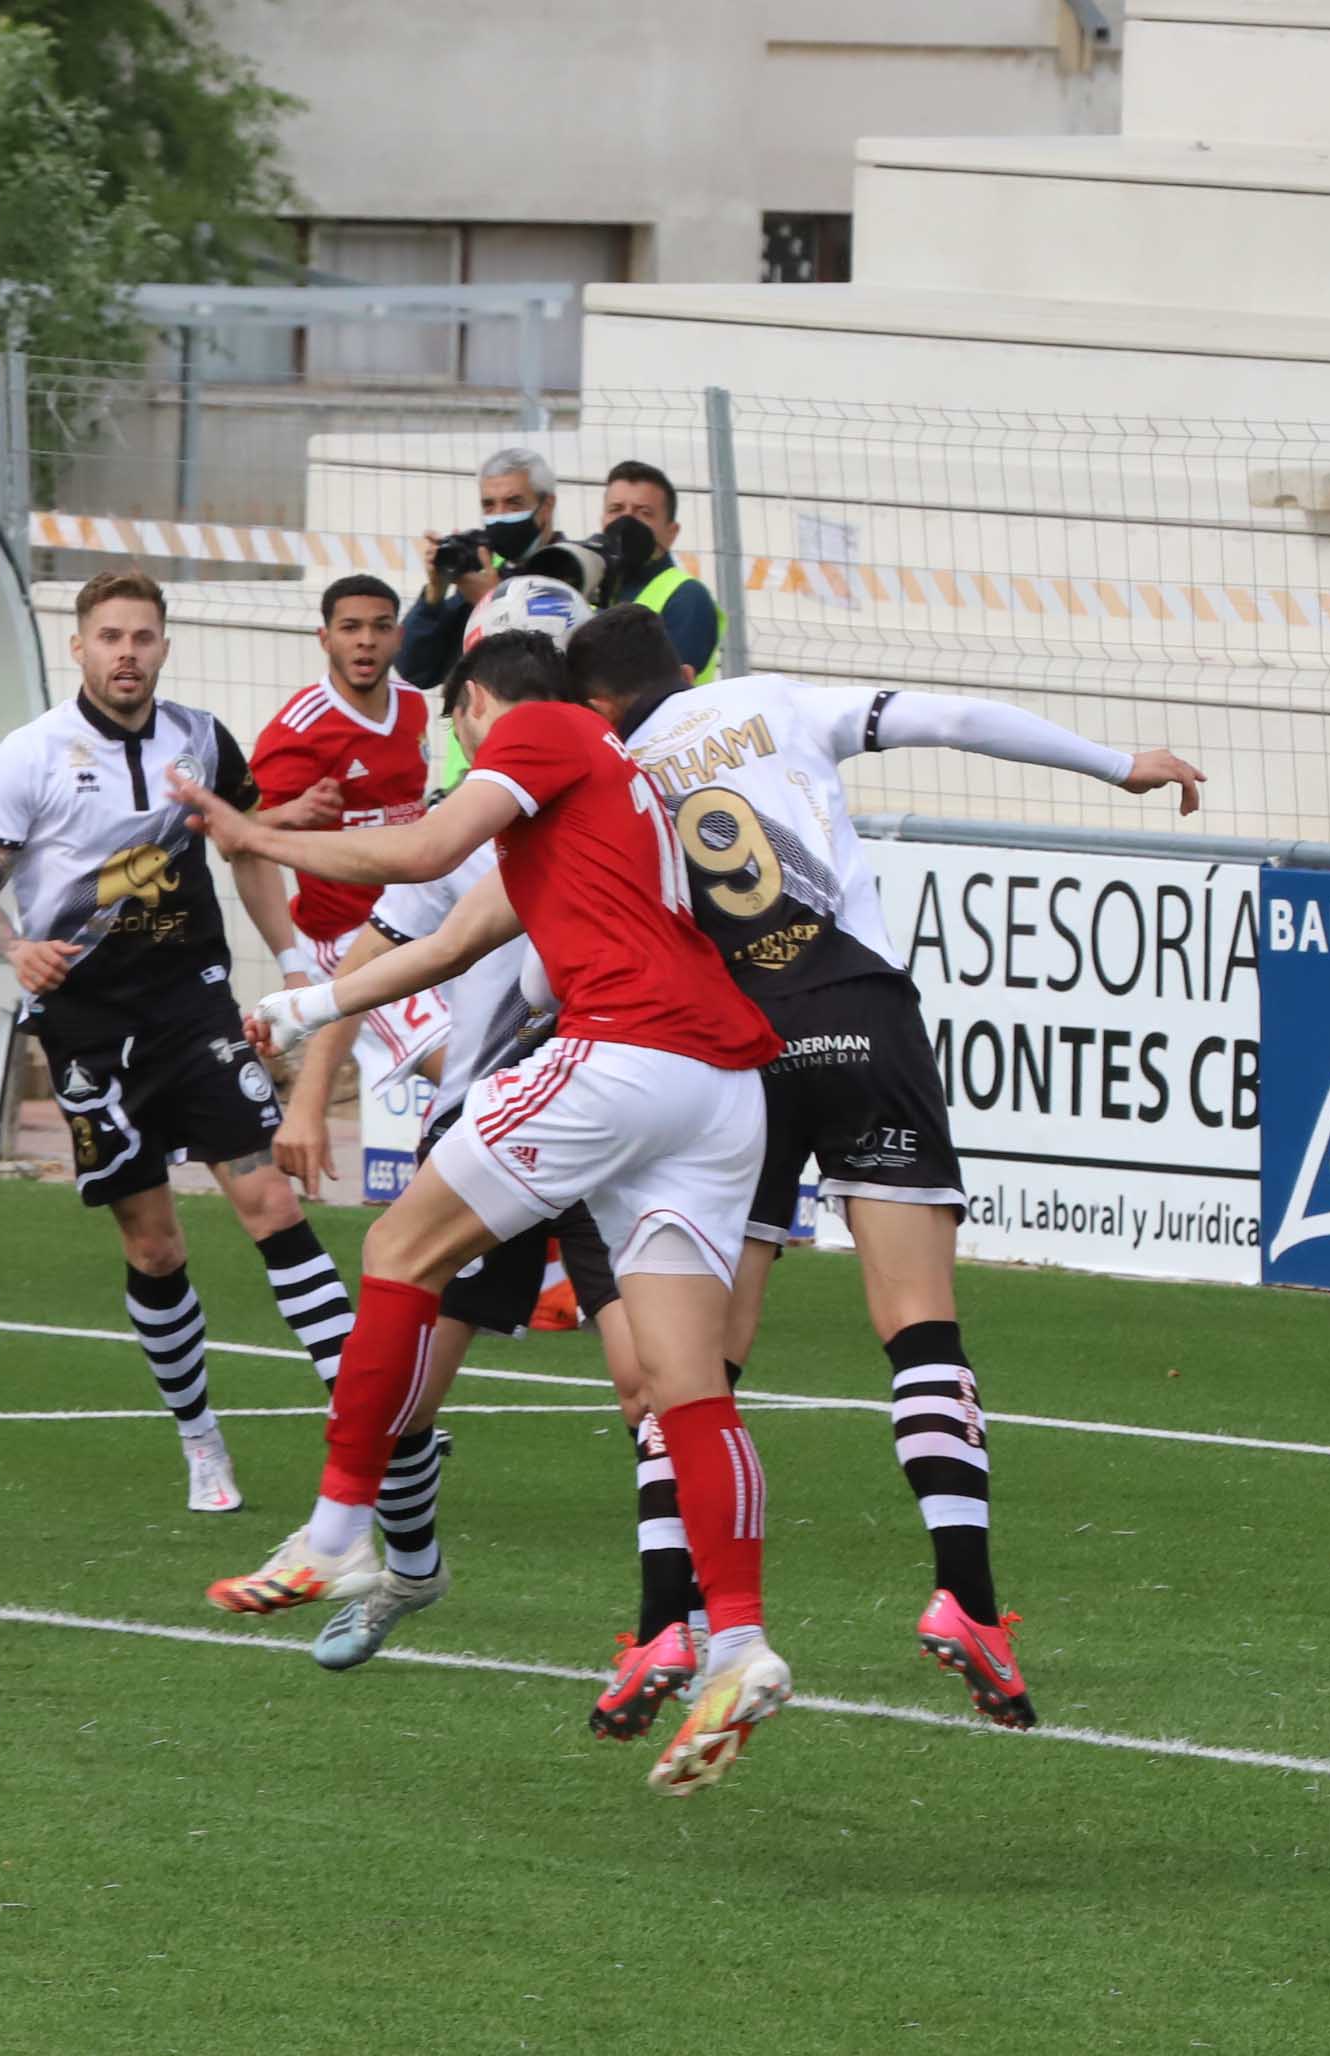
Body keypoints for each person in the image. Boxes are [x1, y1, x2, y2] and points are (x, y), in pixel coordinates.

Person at [176, 629, 792, 1798]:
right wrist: (311, 1003)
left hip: (626, 1053)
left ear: (473, 705)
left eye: (461, 727)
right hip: (720, 1095)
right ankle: (740, 1641)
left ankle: (342, 1531)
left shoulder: (545, 730)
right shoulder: (604, 795)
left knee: (401, 1245)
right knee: (685, 1384)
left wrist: (260, 834)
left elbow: (430, 841)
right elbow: (455, 936)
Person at [571, 606, 1207, 1734]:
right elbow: (954, 715)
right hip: (862, 1016)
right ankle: (967, 1598)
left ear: (592, 705)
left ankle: (668, 1621)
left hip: (731, 1053)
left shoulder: (613, 776)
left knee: (700, 1365)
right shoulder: (767, 701)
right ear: (685, 666)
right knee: (918, 1322)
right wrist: (1121, 765)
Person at [265, 577, 634, 1675]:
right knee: (401, 1390)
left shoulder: (629, 796)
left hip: (613, 1111)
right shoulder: (472, 823)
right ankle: (410, 1567)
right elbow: (377, 954)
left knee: (651, 1382)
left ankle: (688, 1623)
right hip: (495, 1124)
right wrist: (306, 1088)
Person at [0, 571, 359, 1515]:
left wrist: (295, 963)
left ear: (166, 646)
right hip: (88, 1023)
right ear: (80, 648)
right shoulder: (30, 755)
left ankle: (364, 1406)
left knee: (268, 1199)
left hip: (193, 1003)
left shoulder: (204, 739)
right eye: (109, 637)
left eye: (142, 636)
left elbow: (243, 848)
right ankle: (200, 1439)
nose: (126, 653)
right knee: (156, 1246)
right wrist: (17, 947)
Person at [248, 573, 447, 1114]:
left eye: (380, 628)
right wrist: (290, 814)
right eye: (350, 628)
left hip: (420, 920)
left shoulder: (411, 707)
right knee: (456, 1066)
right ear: (325, 638)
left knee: (483, 1057)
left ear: (398, 637)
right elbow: (238, 836)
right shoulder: (300, 729)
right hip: (344, 937)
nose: (365, 641)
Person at [397, 447, 561, 688]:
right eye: (489, 506)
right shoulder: (484, 573)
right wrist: (434, 599)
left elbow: (551, 674)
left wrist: (495, 605)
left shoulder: (572, 571)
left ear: (546, 506)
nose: (500, 516)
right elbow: (416, 670)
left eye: (514, 504)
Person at [596, 460, 720, 681]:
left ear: (671, 532)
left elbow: (664, 689)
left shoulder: (687, 597)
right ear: (603, 519)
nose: (626, 520)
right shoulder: (592, 585)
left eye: (644, 512)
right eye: (616, 509)